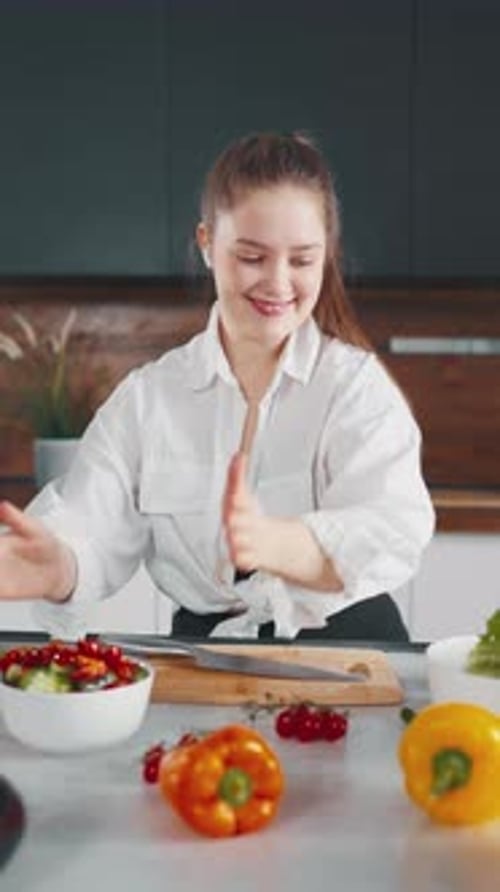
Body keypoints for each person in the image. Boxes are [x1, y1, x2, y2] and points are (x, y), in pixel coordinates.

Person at [0, 132, 434, 641]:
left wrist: (280, 544)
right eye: (252, 256)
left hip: (350, 654)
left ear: (327, 255)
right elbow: (88, 523)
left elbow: (392, 526)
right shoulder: (148, 398)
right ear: (207, 244)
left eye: (301, 260)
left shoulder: (353, 387)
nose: (277, 282)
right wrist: (58, 567)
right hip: (203, 656)